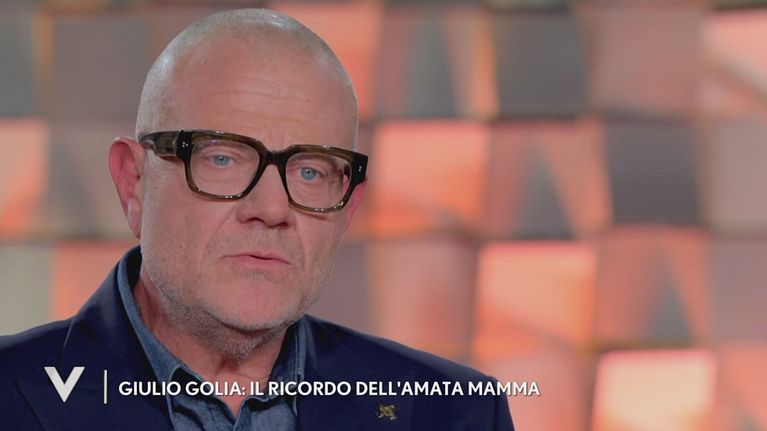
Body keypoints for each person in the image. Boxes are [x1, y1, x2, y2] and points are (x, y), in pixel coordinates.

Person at [0, 9, 514, 430]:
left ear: (348, 209)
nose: (271, 209)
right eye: (223, 158)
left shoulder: (455, 413)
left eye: (310, 171)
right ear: (133, 182)